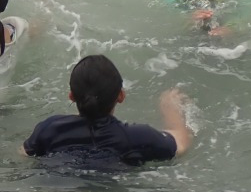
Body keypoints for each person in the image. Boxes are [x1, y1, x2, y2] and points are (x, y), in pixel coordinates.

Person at [22, 54, 192, 166]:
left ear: (71, 96)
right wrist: (171, 109)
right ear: (121, 96)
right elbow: (181, 144)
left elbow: (24, 155)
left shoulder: (50, 129)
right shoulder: (138, 137)